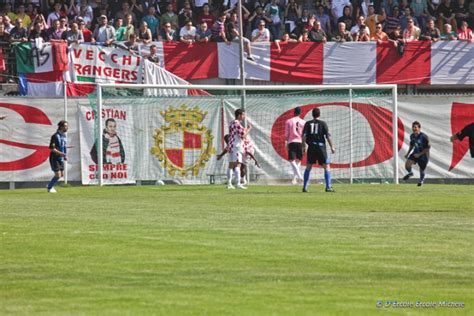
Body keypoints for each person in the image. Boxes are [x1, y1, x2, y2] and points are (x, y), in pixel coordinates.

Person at [302, 108, 336, 193]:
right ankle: (328, 187)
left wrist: (303, 146)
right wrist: (332, 146)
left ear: (312, 114)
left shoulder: (307, 123)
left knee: (309, 166)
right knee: (326, 166)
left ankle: (305, 187)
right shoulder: (323, 123)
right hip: (321, 147)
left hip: (311, 147)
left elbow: (304, 137)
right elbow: (327, 136)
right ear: (319, 114)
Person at [227, 109, 252, 189]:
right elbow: (243, 136)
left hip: (231, 145)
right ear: (239, 115)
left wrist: (244, 130)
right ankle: (238, 183)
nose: (244, 116)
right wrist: (248, 129)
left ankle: (229, 184)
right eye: (243, 115)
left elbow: (236, 133)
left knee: (231, 165)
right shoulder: (237, 123)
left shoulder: (231, 123)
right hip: (237, 146)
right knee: (238, 164)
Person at [403, 121, 430, 186]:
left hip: (424, 155)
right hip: (415, 153)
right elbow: (412, 145)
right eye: (413, 127)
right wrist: (407, 153)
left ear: (419, 128)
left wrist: (419, 154)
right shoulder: (412, 136)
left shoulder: (424, 136)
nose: (414, 128)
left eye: (415, 127)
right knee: (407, 165)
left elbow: (428, 147)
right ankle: (410, 172)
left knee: (422, 169)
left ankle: (421, 181)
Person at [285, 107, 305, 184]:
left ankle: (298, 177)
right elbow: (304, 135)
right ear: (300, 113)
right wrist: (305, 144)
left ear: (294, 112)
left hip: (292, 142)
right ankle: (295, 179)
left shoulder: (288, 121)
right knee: (298, 160)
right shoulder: (303, 122)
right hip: (300, 142)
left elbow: (286, 134)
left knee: (292, 160)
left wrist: (286, 142)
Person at [47, 120, 68, 193]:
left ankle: (50, 185)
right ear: (61, 127)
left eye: (67, 126)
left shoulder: (64, 136)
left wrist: (65, 155)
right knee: (58, 175)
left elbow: (64, 146)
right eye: (65, 126)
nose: (67, 128)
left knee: (61, 174)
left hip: (60, 158)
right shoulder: (55, 136)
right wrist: (61, 153)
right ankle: (49, 187)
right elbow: (52, 148)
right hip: (54, 158)